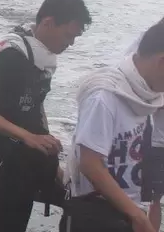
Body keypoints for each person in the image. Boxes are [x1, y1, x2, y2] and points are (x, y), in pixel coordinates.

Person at [0, 0, 92, 232]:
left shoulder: (39, 59)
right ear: (48, 22)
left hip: (24, 166)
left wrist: (49, 155)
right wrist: (28, 137)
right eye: (69, 35)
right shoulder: (8, 55)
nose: (71, 43)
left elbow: (33, 107)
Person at [61, 20, 164, 232]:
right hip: (96, 212)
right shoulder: (105, 96)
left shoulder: (146, 94)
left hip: (130, 208)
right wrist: (136, 216)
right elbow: (90, 164)